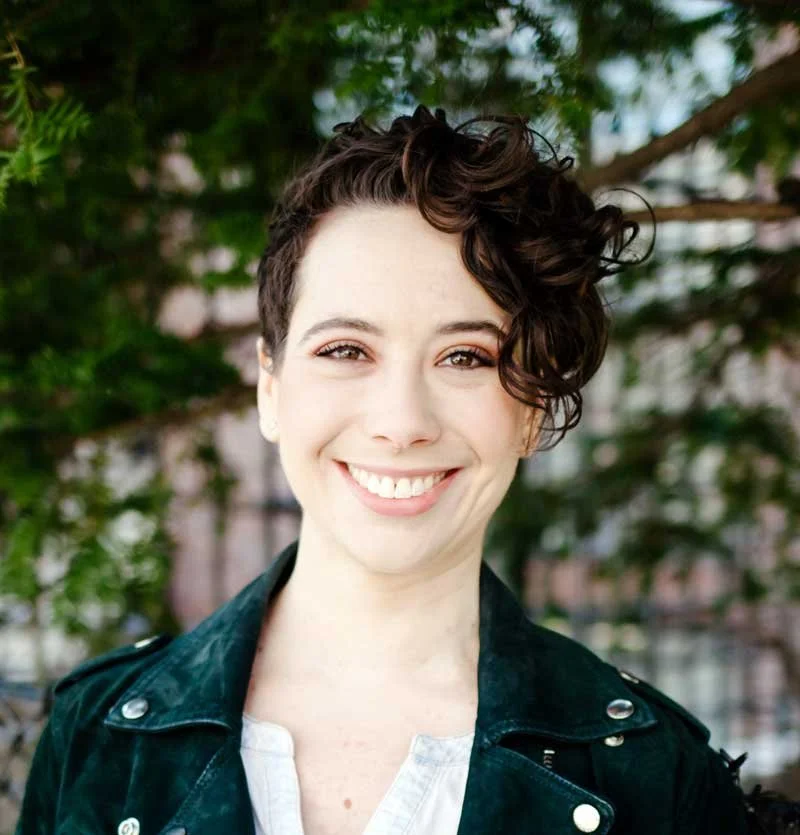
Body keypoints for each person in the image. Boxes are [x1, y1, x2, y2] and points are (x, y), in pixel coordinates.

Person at [16, 105, 762, 835]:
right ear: (270, 386)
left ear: (533, 408)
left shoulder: (652, 775)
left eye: (465, 357)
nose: (401, 422)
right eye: (347, 350)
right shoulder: (95, 737)